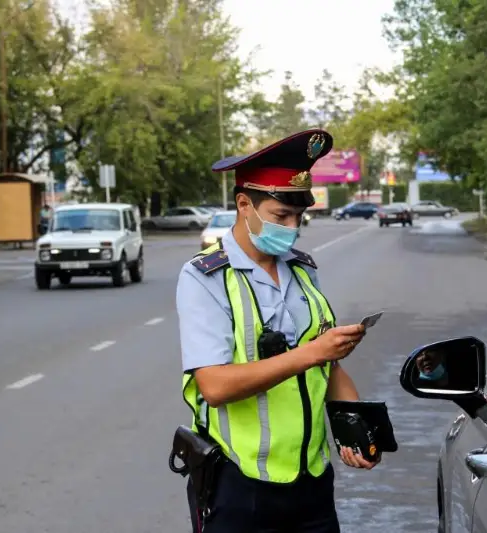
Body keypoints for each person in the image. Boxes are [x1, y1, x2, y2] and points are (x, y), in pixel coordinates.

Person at [176, 129, 380, 533]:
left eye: (298, 217)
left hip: (313, 484)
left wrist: (354, 429)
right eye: (280, 216)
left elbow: (329, 368)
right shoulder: (205, 278)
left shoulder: (302, 269)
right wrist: (314, 352)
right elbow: (214, 385)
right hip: (240, 486)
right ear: (244, 205)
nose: (291, 227)